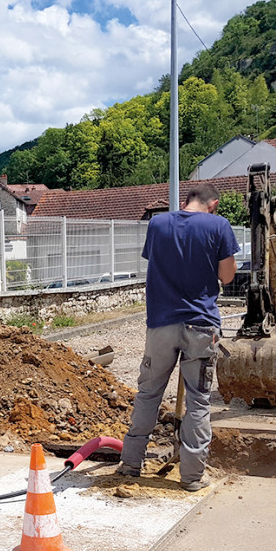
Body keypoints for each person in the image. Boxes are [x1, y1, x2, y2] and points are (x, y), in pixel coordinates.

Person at [117, 184, 238, 491]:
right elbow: (227, 276)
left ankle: (131, 463)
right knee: (198, 402)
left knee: (148, 393)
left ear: (186, 200)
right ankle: (192, 477)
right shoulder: (219, 225)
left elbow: (157, 262)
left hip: (160, 323)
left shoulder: (157, 224)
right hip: (201, 326)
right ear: (214, 204)